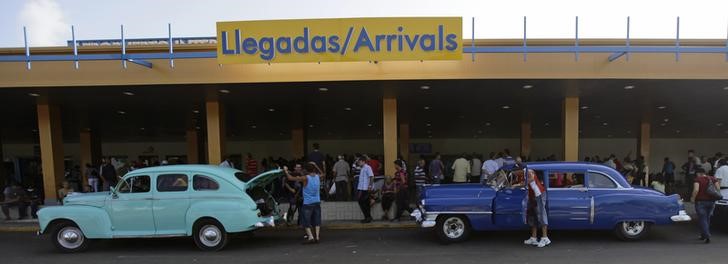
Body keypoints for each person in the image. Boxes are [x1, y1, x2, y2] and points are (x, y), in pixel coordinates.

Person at [284, 162, 323, 244]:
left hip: (308, 203)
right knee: (317, 220)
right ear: (314, 169)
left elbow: (290, 178)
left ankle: (311, 237)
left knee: (306, 220)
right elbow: (323, 173)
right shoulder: (318, 177)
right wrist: (316, 165)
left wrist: (286, 171)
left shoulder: (305, 178)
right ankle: (317, 237)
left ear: (306, 170)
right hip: (317, 201)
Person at [514, 167, 551, 248]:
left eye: (515, 171)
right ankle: (533, 237)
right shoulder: (521, 174)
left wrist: (518, 185)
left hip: (539, 194)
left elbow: (531, 179)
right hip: (532, 195)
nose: (515, 173)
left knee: (541, 214)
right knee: (532, 215)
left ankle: (545, 238)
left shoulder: (529, 171)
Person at [691, 168, 721, 243]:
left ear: (698, 173)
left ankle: (706, 235)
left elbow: (696, 190)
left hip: (700, 201)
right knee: (707, 218)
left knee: (702, 218)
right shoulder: (713, 178)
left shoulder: (698, 179)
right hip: (711, 201)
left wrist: (692, 198)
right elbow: (718, 188)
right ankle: (703, 235)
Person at [356, 157, 374, 223]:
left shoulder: (368, 167)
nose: (359, 163)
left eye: (360, 161)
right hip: (361, 188)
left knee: (363, 202)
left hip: (366, 189)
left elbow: (371, 177)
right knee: (364, 203)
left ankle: (368, 217)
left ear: (363, 161)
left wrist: (370, 186)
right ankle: (368, 217)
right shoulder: (362, 168)